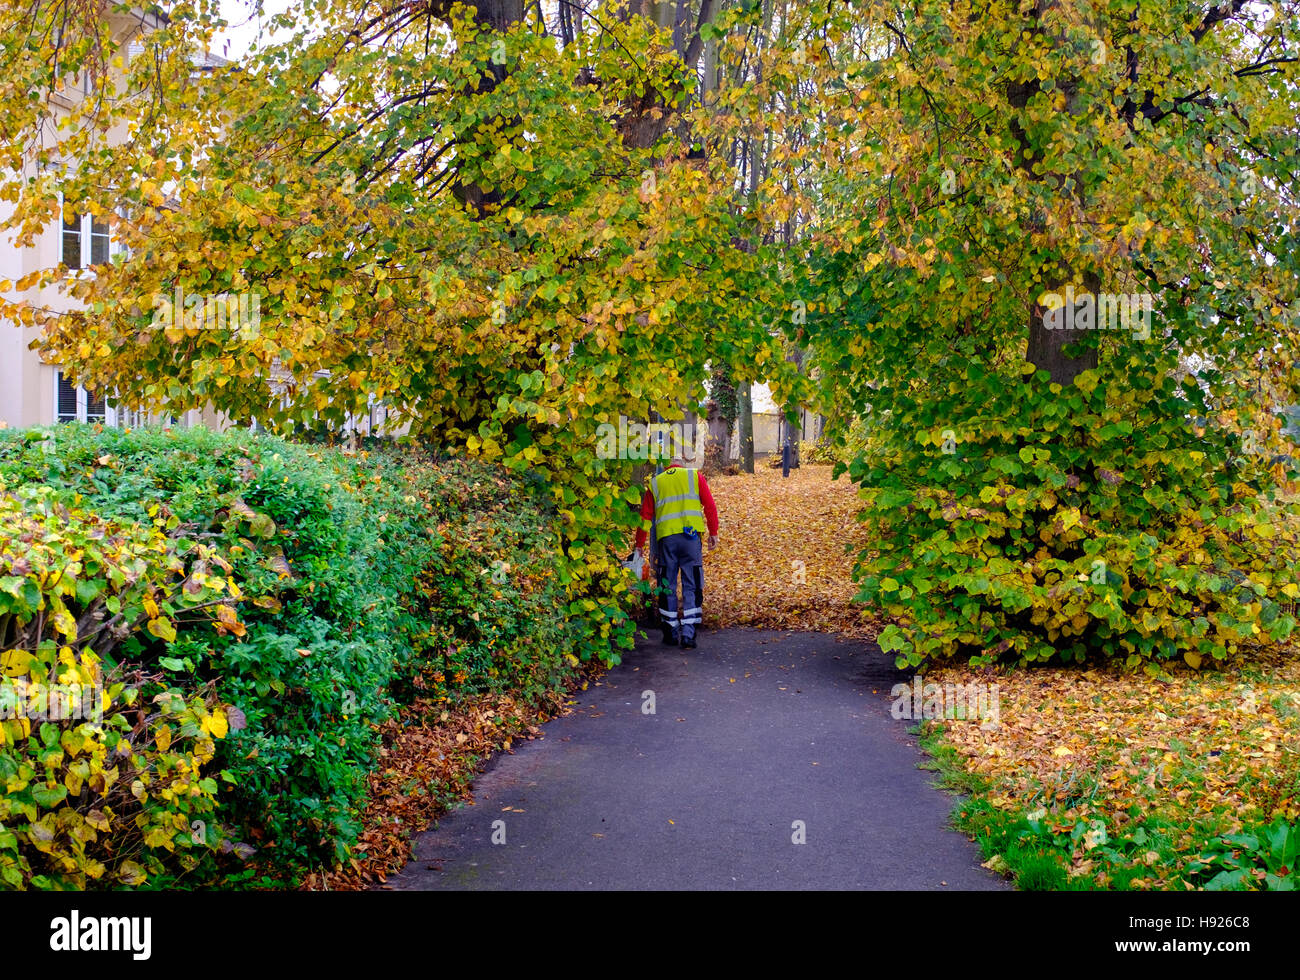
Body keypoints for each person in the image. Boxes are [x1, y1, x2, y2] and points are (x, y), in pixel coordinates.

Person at [633, 455, 719, 649]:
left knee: (667, 584)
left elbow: (645, 517)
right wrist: (713, 532)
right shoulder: (694, 476)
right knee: (692, 584)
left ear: (665, 466)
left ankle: (670, 632)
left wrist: (639, 544)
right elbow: (710, 506)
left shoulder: (656, 483)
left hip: (667, 541)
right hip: (691, 539)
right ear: (683, 464)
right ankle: (689, 634)